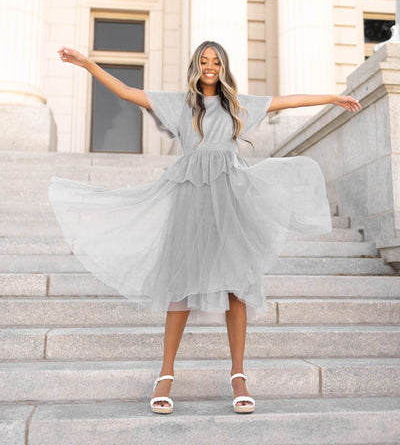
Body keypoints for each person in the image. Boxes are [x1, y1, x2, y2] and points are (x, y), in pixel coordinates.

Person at [51, 41, 361, 415]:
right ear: (196, 66)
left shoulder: (237, 104)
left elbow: (285, 100)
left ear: (223, 67)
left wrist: (331, 97)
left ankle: (238, 375)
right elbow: (127, 91)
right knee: (180, 284)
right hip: (190, 197)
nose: (210, 66)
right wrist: (88, 64)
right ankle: (165, 375)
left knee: (237, 284)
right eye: (204, 61)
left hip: (231, 198)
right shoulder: (180, 104)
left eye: (216, 61)